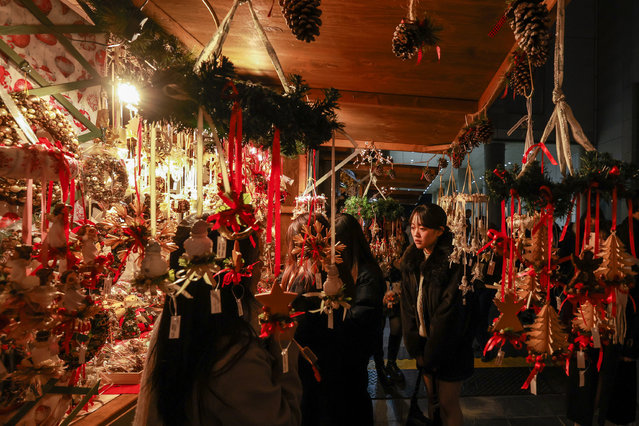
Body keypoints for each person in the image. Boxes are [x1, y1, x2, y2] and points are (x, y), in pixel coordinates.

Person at [134, 223, 301, 426]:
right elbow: (282, 420)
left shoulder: (175, 323)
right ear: (234, 269)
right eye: (257, 259)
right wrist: (284, 351)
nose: (260, 269)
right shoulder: (235, 354)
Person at [282, 213, 384, 426]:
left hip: (321, 363)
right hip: (339, 360)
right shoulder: (337, 270)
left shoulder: (313, 276)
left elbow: (305, 325)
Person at [400, 204, 474, 426]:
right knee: (431, 402)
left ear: (440, 230)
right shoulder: (412, 259)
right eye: (413, 227)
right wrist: (416, 346)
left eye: (422, 228)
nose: (416, 233)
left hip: (450, 347)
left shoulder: (454, 262)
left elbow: (449, 313)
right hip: (424, 345)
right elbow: (408, 306)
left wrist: (431, 354)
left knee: (447, 403)